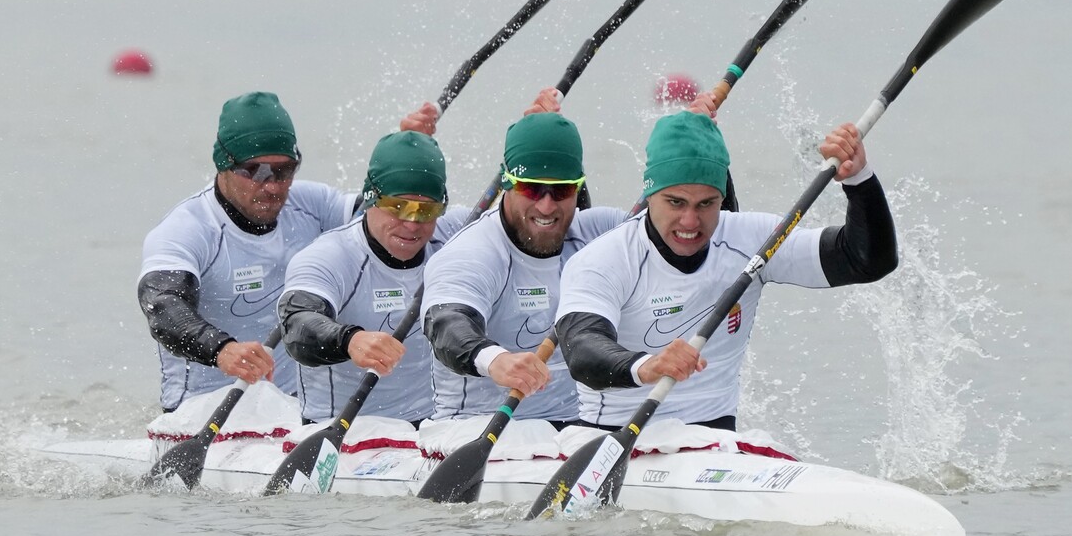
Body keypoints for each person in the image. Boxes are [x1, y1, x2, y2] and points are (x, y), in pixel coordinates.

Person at [553, 92, 899, 431]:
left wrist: (858, 178)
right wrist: (646, 365)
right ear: (650, 195)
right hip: (612, 437)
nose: (690, 222)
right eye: (675, 203)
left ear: (722, 198)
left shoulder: (752, 240)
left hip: (715, 447)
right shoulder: (603, 259)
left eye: (706, 204)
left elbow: (867, 260)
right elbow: (582, 349)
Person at [138, 90, 438, 411]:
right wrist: (221, 349)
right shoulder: (187, 229)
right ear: (224, 164)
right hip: (203, 411)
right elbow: (163, 306)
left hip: (291, 413)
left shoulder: (312, 205)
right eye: (256, 171)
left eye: (285, 171)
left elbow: (384, 217)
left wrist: (403, 155)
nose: (272, 186)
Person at [421, 88, 626, 425]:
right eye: (531, 188)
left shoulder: (597, 234)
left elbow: (694, 231)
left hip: (571, 432)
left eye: (560, 190)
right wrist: (496, 360)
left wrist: (695, 147)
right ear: (507, 183)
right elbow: (446, 325)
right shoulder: (474, 251)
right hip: (475, 429)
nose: (546, 206)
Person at [277, 130, 471, 425]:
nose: (411, 224)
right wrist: (350, 340)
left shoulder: (455, 237)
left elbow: (533, 216)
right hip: (341, 431)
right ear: (371, 198)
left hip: (429, 432)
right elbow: (297, 325)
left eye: (426, 210)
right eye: (398, 207)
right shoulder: (330, 256)